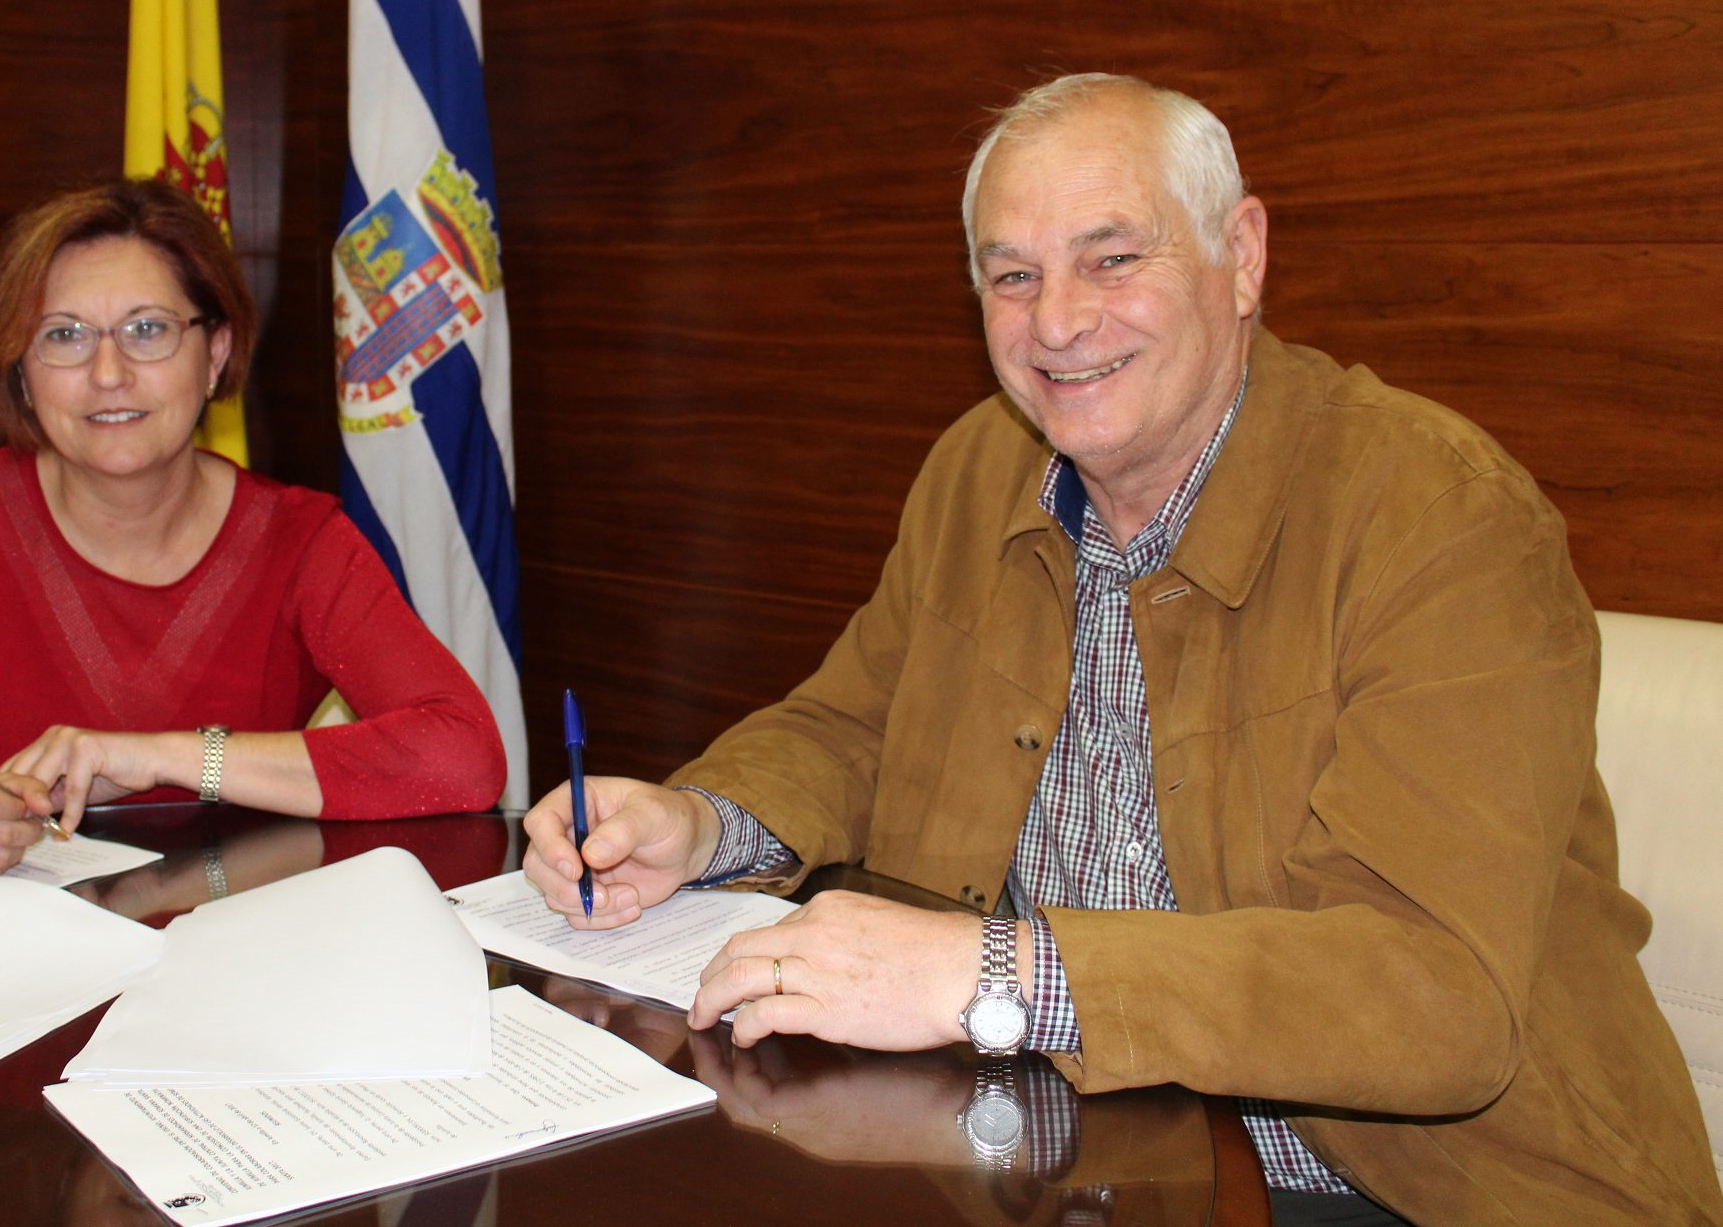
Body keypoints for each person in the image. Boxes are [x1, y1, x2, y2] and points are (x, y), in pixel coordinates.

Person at [523, 75, 1722, 1224]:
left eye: (1111, 258)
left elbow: (1434, 994)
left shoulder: (1439, 518)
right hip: (1047, 1144)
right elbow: (857, 724)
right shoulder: (980, 465)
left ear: (1240, 256)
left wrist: (1000, 975)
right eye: (1013, 275)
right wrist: (702, 825)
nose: (1056, 321)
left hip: (1394, 1189)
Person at [0, 179, 505, 874]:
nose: (108, 373)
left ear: (215, 353)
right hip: (11, 964)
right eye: (64, 336)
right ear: (22, 372)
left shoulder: (301, 541)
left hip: (233, 955)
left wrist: (163, 754)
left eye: (148, 329)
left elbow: (464, 757)